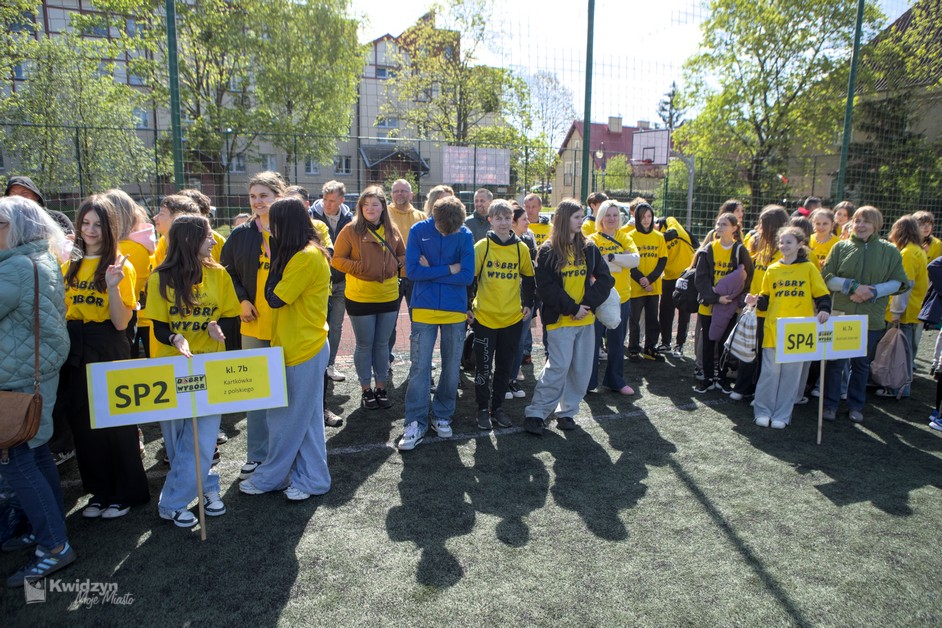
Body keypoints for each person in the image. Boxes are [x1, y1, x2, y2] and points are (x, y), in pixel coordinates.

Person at [57, 195, 150, 519]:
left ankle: (126, 493)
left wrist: (112, 286)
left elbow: (121, 323)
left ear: (109, 227)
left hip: (108, 343)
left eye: (98, 224)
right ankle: (99, 491)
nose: (90, 230)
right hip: (74, 345)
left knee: (115, 421)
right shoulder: (68, 265)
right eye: (85, 223)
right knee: (83, 423)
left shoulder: (121, 265)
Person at [143, 215, 239, 526]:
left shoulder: (219, 274)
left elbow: (230, 317)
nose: (213, 241)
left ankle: (172, 502)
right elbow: (159, 327)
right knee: (176, 440)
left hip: (210, 366)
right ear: (188, 240)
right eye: (207, 235)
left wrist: (216, 327)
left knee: (204, 437)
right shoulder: (160, 278)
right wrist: (175, 337)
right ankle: (205, 486)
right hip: (173, 367)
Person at [0, 197, 76, 586]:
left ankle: (54, 545)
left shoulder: (15, 268)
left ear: (16, 228)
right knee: (37, 452)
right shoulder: (39, 258)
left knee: (18, 461)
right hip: (33, 375)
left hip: (16, 380)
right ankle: (50, 529)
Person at [239, 198, 332, 500]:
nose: (269, 228)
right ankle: (311, 478)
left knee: (287, 420)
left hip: (303, 347)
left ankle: (273, 477)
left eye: (274, 222)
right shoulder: (303, 253)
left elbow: (275, 298)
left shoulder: (305, 256)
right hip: (298, 345)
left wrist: (273, 256)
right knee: (304, 420)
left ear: (286, 224)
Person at [523, 199, 614, 436]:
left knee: (581, 370)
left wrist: (587, 305)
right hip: (561, 320)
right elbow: (546, 288)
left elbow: (606, 279)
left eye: (582, 216)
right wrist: (573, 308)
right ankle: (537, 413)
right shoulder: (548, 250)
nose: (581, 221)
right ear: (564, 219)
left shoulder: (589, 247)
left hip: (586, 320)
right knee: (558, 367)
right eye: (576, 217)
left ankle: (567, 413)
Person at [220, 171, 285, 481]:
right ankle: (257, 454)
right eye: (253, 196)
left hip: (288, 326)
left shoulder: (293, 231)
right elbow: (226, 272)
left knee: (286, 393)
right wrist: (242, 300)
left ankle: (284, 453)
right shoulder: (241, 234)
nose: (258, 202)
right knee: (258, 393)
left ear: (279, 197)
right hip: (253, 325)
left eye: (264, 196)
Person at [398, 196, 475, 450]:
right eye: (442, 230)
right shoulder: (418, 230)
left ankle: (442, 415)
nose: (446, 234)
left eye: (451, 231)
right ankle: (415, 421)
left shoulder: (465, 234)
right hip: (423, 310)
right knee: (420, 367)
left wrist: (431, 271)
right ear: (433, 216)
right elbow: (412, 272)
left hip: (454, 312)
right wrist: (449, 269)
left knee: (452, 367)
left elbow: (467, 276)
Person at [821, 206, 908, 423]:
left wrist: (873, 292)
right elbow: (827, 278)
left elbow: (899, 281)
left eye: (866, 221)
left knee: (861, 365)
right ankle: (829, 405)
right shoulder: (840, 247)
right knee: (836, 364)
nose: (861, 225)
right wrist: (853, 287)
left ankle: (855, 406)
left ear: (876, 225)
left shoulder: (890, 251)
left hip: (871, 319)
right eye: (858, 221)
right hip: (842, 316)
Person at [745, 226, 831, 429]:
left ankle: (782, 415)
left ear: (800, 244)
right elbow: (766, 298)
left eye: (789, 242)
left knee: (791, 376)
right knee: (769, 373)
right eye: (781, 242)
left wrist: (824, 310)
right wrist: (754, 301)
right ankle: (763, 411)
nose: (784, 246)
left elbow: (822, 294)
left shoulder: (809, 268)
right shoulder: (772, 269)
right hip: (773, 329)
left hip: (798, 331)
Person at [331, 186, 404, 410]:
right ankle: (366, 389)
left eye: (375, 204)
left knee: (382, 344)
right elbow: (337, 259)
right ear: (360, 207)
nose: (370, 209)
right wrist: (361, 268)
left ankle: (381, 387)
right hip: (360, 298)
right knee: (364, 345)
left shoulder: (392, 229)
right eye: (366, 205)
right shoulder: (350, 230)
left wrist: (396, 265)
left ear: (383, 207)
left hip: (388, 296)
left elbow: (402, 254)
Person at [468, 199, 535, 429]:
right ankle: (481, 409)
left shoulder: (520, 248)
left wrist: (528, 303)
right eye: (498, 218)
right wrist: (468, 307)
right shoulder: (482, 247)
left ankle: (497, 408)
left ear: (512, 221)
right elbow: (470, 280)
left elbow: (529, 278)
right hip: (485, 319)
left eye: (507, 218)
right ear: (490, 221)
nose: (504, 222)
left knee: (505, 368)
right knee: (483, 368)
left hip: (511, 320)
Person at [731, 205, 789, 401]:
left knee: (766, 354)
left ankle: (761, 392)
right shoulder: (761, 249)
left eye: (762, 225)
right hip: (754, 309)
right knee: (748, 349)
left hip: (773, 313)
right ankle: (744, 387)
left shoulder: (784, 254)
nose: (759, 228)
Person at [693, 212, 753, 394]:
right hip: (709, 304)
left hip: (729, 307)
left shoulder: (740, 250)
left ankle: (722, 378)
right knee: (708, 342)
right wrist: (715, 298)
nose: (719, 227)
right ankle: (708, 378)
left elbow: (748, 276)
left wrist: (738, 300)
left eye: (724, 224)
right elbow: (700, 278)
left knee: (724, 344)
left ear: (734, 228)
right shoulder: (709, 248)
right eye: (718, 224)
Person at [587, 200, 640, 395]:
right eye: (608, 215)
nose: (611, 219)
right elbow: (591, 267)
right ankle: (588, 383)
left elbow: (635, 260)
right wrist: (620, 260)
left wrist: (611, 258)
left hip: (622, 298)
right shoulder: (592, 239)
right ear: (601, 217)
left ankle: (615, 381)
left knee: (617, 343)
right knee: (592, 343)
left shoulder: (625, 237)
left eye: (615, 215)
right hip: (597, 299)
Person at [877, 215, 928, 399]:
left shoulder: (907, 253)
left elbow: (904, 286)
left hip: (905, 310)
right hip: (914, 307)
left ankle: (898, 387)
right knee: (906, 350)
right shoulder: (918, 250)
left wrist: (896, 312)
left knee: (900, 351)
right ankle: (900, 385)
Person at [311, 181, 353, 382]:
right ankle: (315, 366)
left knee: (336, 326)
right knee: (318, 325)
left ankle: (330, 365)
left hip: (341, 280)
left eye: (332, 201)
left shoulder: (349, 219)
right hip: (318, 282)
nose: (327, 204)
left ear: (341, 201)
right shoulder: (311, 217)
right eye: (325, 199)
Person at [386, 179, 426, 365]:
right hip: (390, 277)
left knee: (418, 321)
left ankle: (419, 358)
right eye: (396, 191)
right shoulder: (384, 214)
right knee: (389, 323)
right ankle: (385, 359)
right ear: (391, 194)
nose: (399, 194)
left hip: (415, 277)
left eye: (403, 191)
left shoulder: (421, 216)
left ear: (411, 194)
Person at [627, 202, 667, 361]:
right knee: (634, 320)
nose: (646, 220)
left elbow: (662, 261)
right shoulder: (630, 237)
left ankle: (650, 348)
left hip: (653, 287)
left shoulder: (659, 237)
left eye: (649, 216)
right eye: (643, 217)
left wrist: (649, 280)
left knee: (652, 319)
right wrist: (641, 280)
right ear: (637, 218)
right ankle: (633, 348)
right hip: (635, 287)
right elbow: (629, 263)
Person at [654, 214, 696, 357]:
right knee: (665, 310)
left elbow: (673, 233)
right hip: (668, 276)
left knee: (684, 309)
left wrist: (655, 238)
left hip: (686, 275)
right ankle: (665, 342)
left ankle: (680, 344)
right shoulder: (650, 237)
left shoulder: (669, 221)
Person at [507, 206, 537, 393]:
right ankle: (502, 378)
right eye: (524, 219)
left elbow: (531, 274)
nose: (528, 222)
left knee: (519, 341)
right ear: (513, 222)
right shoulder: (501, 242)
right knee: (506, 342)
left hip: (524, 300)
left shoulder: (528, 241)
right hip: (506, 301)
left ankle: (512, 377)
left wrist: (531, 301)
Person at [4, 175, 74, 237]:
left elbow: (73, 242)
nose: (19, 198)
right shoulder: (4, 222)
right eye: (13, 194)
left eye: (24, 193)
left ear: (36, 196)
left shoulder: (58, 218)